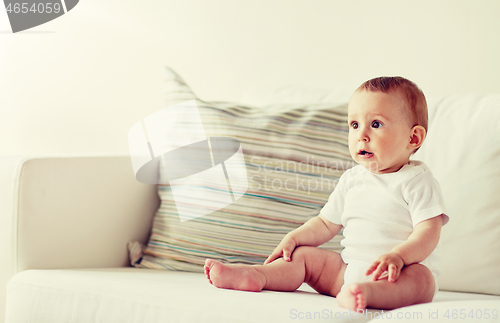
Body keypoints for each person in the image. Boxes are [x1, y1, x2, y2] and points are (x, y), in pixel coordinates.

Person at [204, 76, 448, 311]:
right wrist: (296, 237)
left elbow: (428, 232)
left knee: (422, 280)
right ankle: (257, 276)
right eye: (354, 125)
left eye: (376, 124)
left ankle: (369, 294)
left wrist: (399, 257)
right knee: (303, 257)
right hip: (345, 274)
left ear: (413, 137)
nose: (362, 135)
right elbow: (324, 223)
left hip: (398, 274)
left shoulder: (417, 181)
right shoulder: (351, 179)